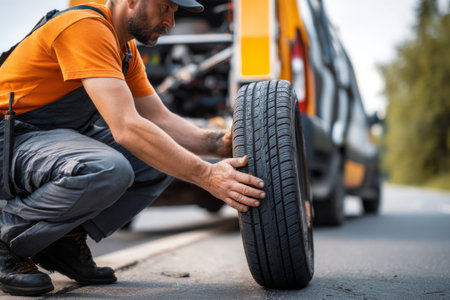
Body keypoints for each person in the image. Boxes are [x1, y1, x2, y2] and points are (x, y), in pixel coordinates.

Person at [0, 0, 265, 296]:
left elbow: (159, 119)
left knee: (160, 155)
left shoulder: (125, 49)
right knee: (107, 168)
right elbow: (126, 127)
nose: (170, 22)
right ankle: (7, 240)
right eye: (165, 8)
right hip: (9, 139)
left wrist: (216, 144)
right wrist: (207, 176)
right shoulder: (83, 27)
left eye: (174, 12)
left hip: (46, 139)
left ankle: (63, 242)